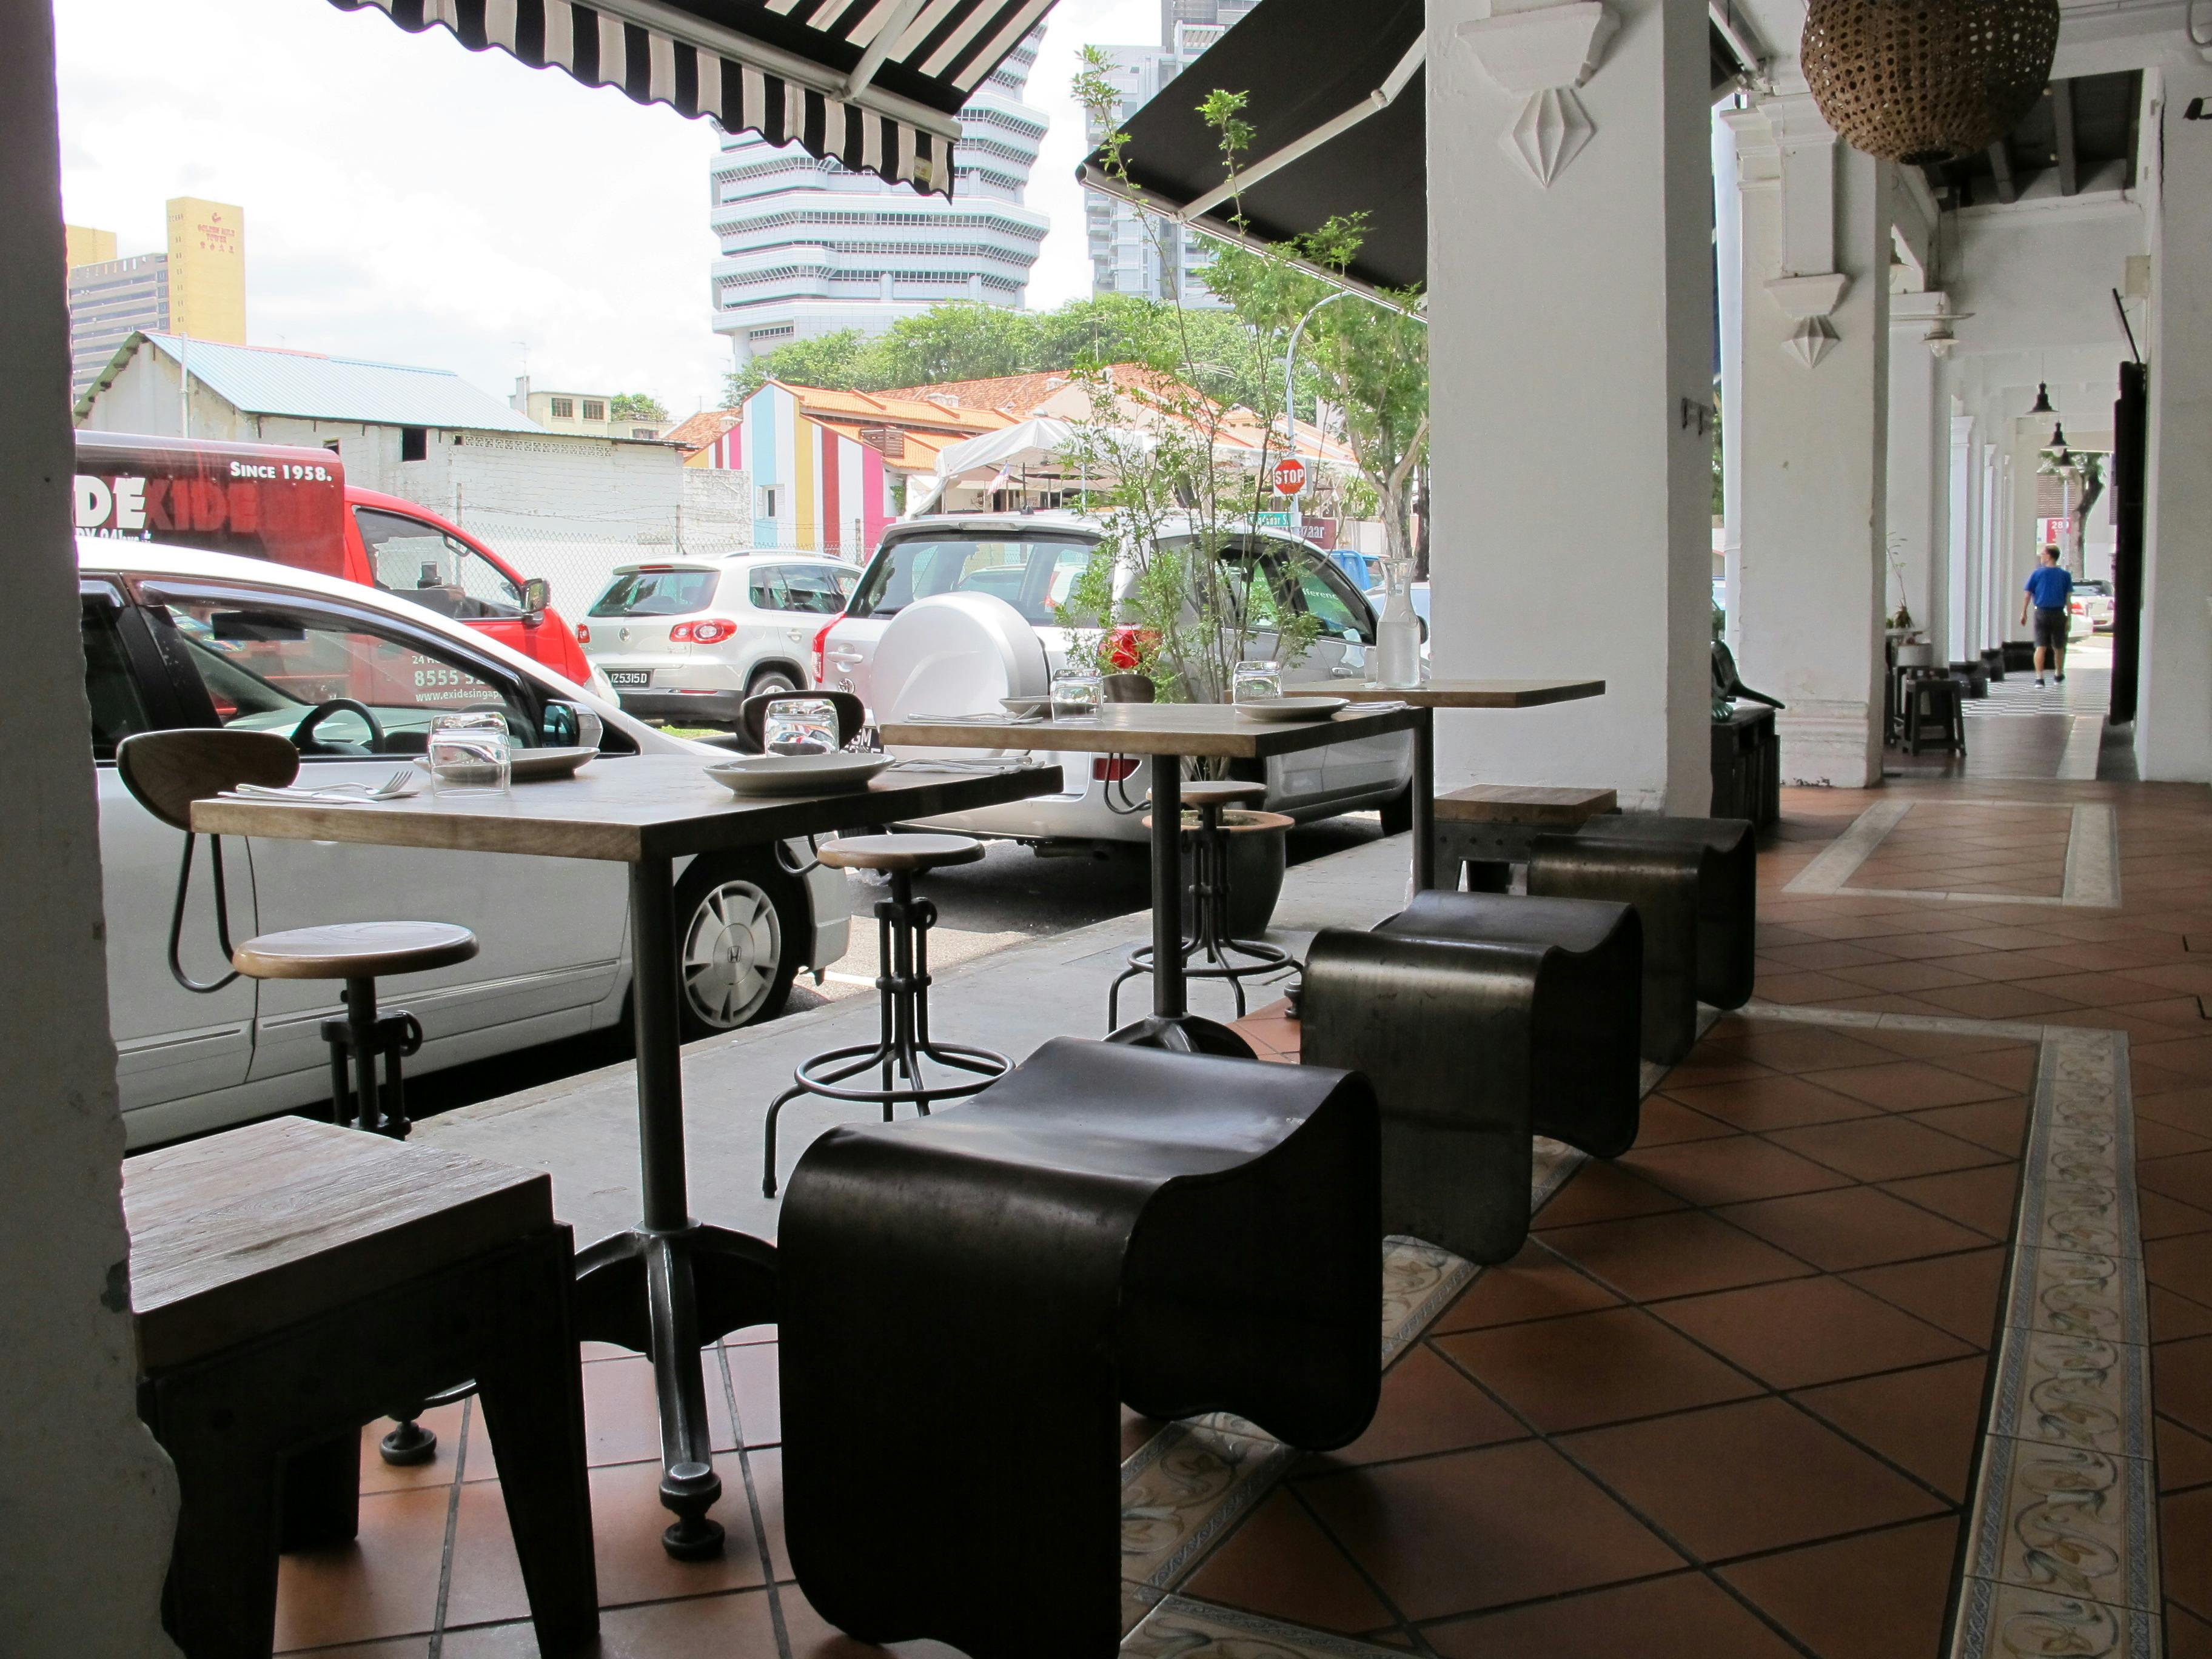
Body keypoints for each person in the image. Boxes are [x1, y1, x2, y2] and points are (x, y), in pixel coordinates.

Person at [2020, 546, 2074, 688]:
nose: (2042, 556)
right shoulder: (2065, 576)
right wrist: (2069, 618)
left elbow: (2027, 594)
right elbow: (2069, 599)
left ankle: (2039, 678)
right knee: (2059, 646)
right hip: (2058, 613)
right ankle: (2058, 673)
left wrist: (2024, 612)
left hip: (2041, 613)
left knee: (2040, 646)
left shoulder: (2037, 574)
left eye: (2043, 554)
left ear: (2049, 556)